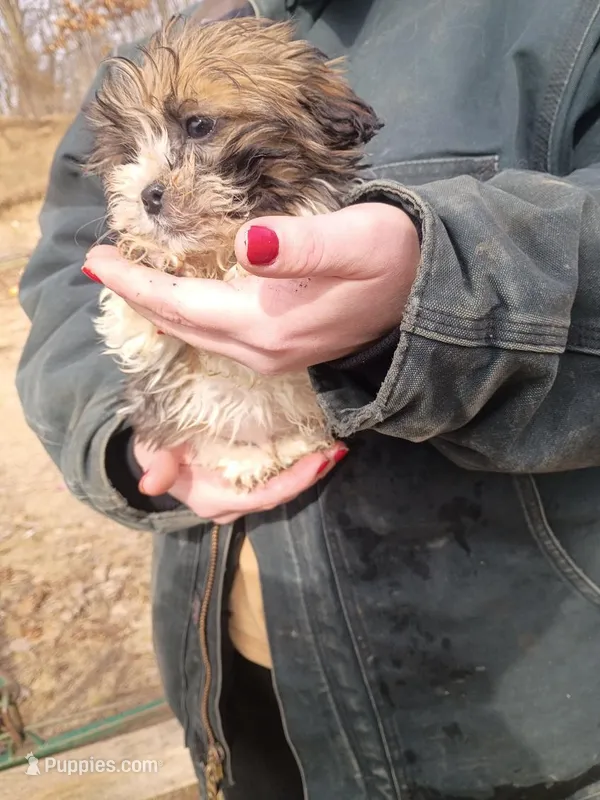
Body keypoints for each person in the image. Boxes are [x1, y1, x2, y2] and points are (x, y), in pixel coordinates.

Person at [16, 0, 600, 797]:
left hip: (508, 702)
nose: (150, 180)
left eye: (198, 130)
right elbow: (63, 274)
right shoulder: (159, 49)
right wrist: (128, 435)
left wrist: (438, 286)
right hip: (231, 678)